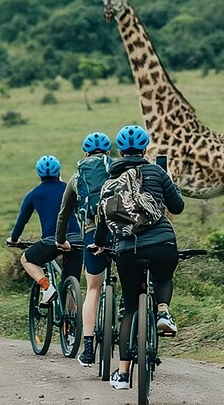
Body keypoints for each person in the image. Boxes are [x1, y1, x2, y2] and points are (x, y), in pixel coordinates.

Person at [90, 125, 185, 390]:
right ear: (144, 149)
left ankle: (121, 373)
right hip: (162, 242)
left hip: (126, 250)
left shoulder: (109, 184)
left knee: (130, 306)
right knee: (163, 275)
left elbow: (102, 224)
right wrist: (168, 184)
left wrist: (98, 245)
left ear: (119, 151)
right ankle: (163, 312)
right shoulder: (156, 171)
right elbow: (177, 206)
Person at [56, 132, 113, 367]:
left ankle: (88, 348)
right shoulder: (116, 170)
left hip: (91, 234)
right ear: (109, 152)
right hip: (120, 232)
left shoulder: (76, 177)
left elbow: (64, 213)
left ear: (85, 153)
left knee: (93, 289)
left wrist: (61, 240)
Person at [7, 155, 83, 306]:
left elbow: (22, 221)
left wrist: (14, 239)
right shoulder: (69, 189)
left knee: (26, 259)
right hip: (76, 241)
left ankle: (46, 287)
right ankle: (72, 324)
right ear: (58, 171)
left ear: (38, 173)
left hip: (51, 242)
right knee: (70, 285)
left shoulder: (34, 194)